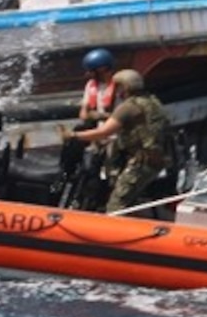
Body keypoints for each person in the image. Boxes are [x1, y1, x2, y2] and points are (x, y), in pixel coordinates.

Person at [69, 68, 171, 215]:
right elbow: (135, 120)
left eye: (117, 87)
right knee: (130, 198)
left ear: (124, 87)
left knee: (116, 204)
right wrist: (102, 116)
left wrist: (74, 136)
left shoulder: (128, 107)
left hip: (140, 162)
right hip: (157, 158)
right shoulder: (152, 102)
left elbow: (103, 132)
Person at [77, 47, 118, 124]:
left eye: (92, 71)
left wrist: (101, 116)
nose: (89, 74)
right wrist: (88, 114)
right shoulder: (91, 85)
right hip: (102, 130)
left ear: (102, 70)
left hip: (119, 131)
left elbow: (126, 115)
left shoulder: (120, 84)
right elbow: (83, 114)